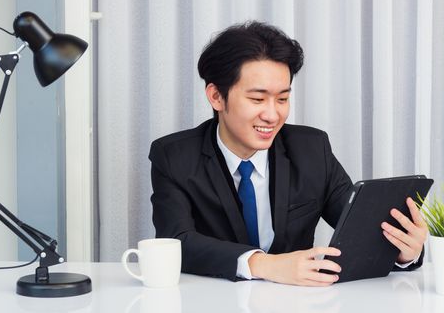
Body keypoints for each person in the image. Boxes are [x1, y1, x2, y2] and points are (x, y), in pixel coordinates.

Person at [149, 21, 427, 286]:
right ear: (216, 96)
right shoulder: (173, 157)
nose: (272, 115)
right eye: (257, 99)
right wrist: (264, 265)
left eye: (282, 98)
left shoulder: (312, 148)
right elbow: (176, 242)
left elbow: (359, 234)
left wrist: (404, 252)